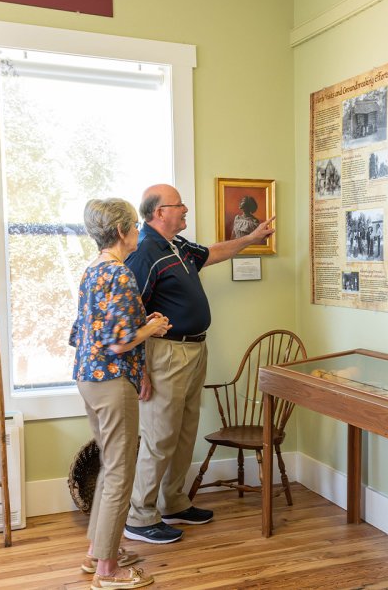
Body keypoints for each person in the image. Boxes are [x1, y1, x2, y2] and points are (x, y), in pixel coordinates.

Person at [122, 184, 275, 544]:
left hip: (194, 351)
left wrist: (251, 238)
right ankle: (140, 517)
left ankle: (173, 501)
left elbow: (214, 252)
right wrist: (140, 369)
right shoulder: (145, 251)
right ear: (159, 213)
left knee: (184, 431)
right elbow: (131, 312)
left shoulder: (178, 246)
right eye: (178, 205)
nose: (186, 209)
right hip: (165, 353)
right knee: (159, 437)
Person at [70, 198, 171, 590]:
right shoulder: (121, 274)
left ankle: (97, 551)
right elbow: (118, 341)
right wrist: (152, 328)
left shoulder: (92, 271)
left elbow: (83, 332)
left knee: (110, 466)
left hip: (88, 378)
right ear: (121, 232)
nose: (138, 233)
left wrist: (137, 326)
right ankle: (107, 571)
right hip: (112, 380)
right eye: (134, 226)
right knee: (119, 471)